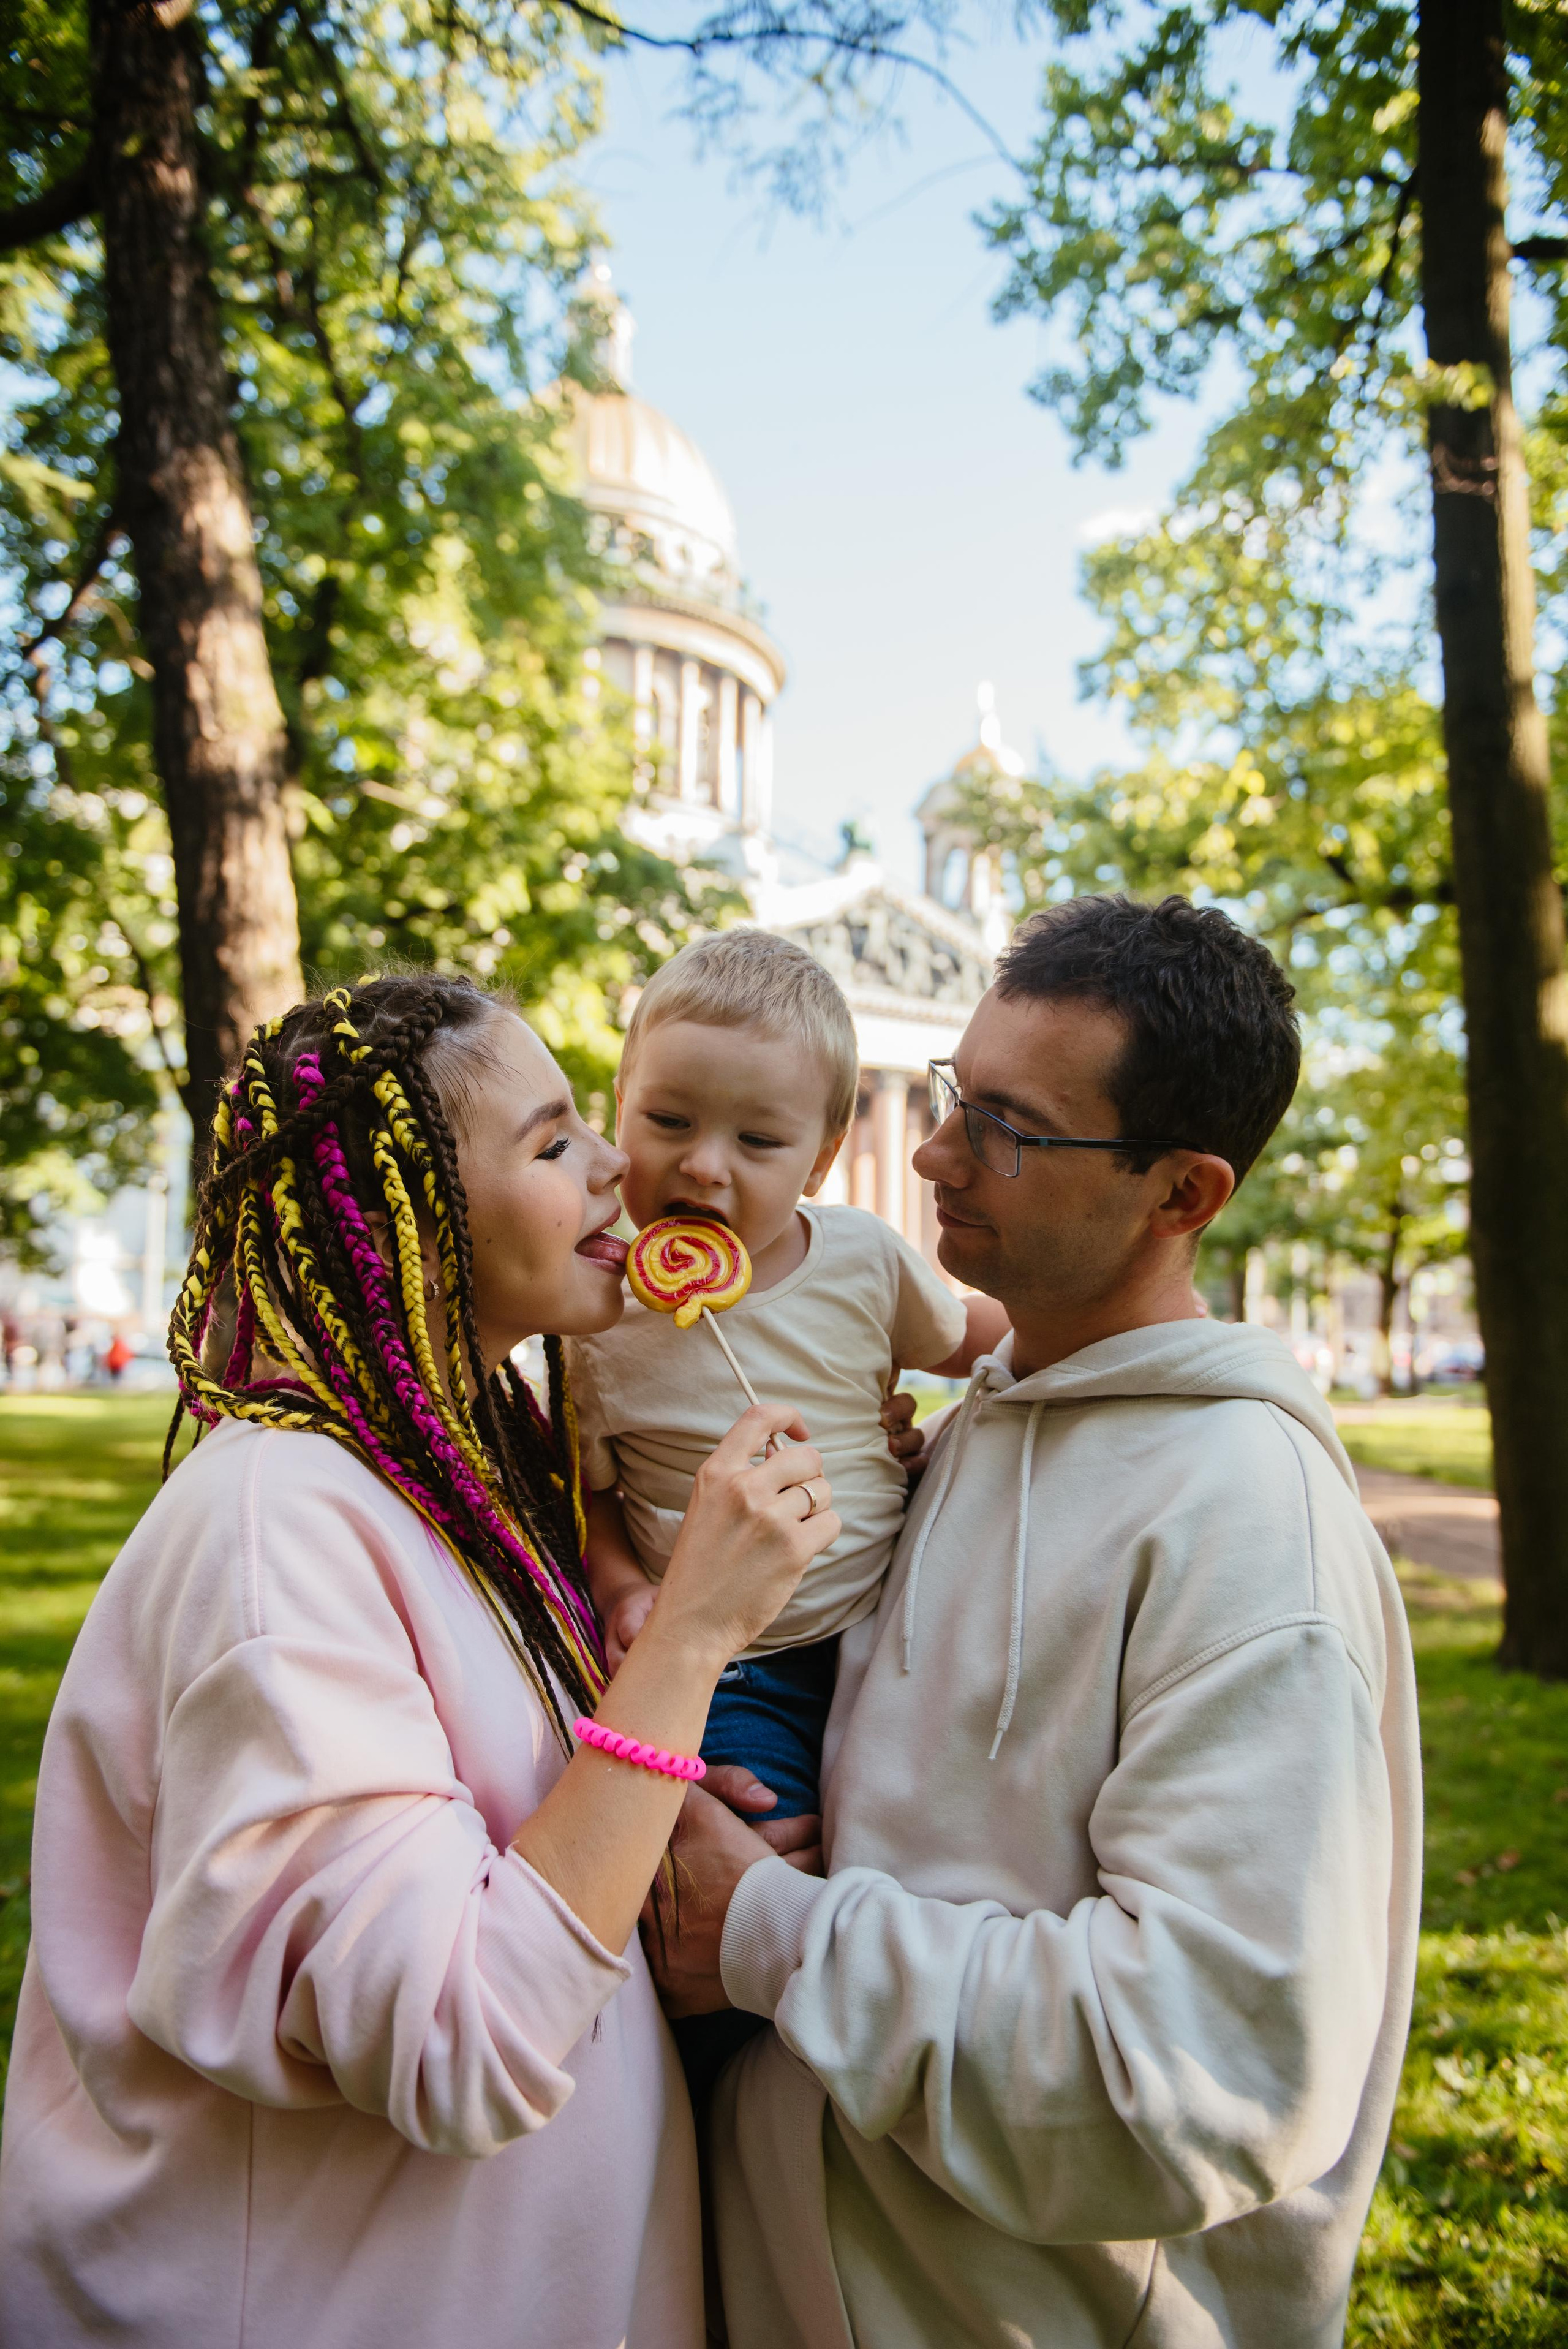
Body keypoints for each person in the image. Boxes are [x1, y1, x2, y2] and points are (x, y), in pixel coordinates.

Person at [0, 972, 839, 2349]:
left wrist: (651, 1816)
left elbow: (501, 1823)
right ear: (417, 1220)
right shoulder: (278, 1529)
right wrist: (691, 1638)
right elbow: (455, 2034)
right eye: (553, 1140)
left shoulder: (459, 1468)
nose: (618, 1162)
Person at [648, 895, 1423, 2349]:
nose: (931, 1155)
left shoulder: (1249, 1531)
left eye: (1007, 1126)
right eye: (950, 1097)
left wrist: (757, 1928)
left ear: (1180, 1195)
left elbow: (1197, 2072)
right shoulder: (964, 1434)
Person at [567, 931, 1005, 2092]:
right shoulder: (601, 1312)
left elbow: (969, 1339)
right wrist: (621, 1585)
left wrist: (1127, 1333)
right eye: (668, 1122)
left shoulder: (865, 1259)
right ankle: (728, 2097)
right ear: (621, 1110)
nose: (706, 1167)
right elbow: (594, 1489)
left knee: (914, 1859)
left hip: (889, 1628)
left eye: (758, 1141)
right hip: (733, 1666)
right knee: (755, 1849)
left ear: (821, 1157)